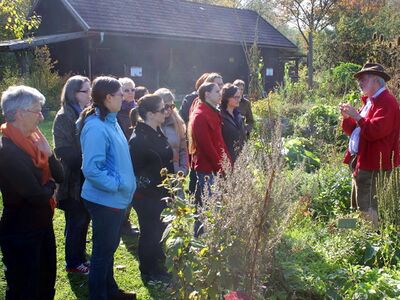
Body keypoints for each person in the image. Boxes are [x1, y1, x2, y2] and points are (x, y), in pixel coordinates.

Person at [0, 85, 63, 300]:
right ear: (19, 114)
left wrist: (50, 155)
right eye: (37, 111)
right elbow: (35, 196)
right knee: (24, 290)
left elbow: (61, 177)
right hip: (20, 231)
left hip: (42, 225)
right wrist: (51, 188)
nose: (41, 117)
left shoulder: (36, 141)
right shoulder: (6, 150)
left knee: (46, 284)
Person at [78, 76, 137, 300]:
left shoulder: (110, 121)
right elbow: (92, 169)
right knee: (102, 254)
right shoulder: (95, 126)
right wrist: (119, 185)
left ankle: (111, 291)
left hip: (114, 198)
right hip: (105, 200)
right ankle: (99, 295)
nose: (124, 97)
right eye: (120, 94)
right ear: (108, 97)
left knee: (108, 249)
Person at [339, 63, 400, 227]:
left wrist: (356, 116)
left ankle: (370, 241)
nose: (360, 82)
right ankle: (359, 239)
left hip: (374, 164)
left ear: (375, 80)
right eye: (359, 79)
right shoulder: (371, 102)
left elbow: (375, 131)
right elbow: (354, 130)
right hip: (362, 161)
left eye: (363, 79)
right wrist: (347, 117)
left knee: (368, 205)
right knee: (359, 202)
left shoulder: (387, 102)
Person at [129, 94, 174, 283]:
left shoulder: (156, 131)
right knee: (149, 231)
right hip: (147, 195)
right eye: (163, 109)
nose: (168, 111)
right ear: (150, 113)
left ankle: (157, 261)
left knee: (158, 229)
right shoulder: (139, 139)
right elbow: (135, 171)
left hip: (161, 192)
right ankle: (148, 269)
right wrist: (149, 192)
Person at [53, 75, 91, 275]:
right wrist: (87, 159)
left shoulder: (84, 113)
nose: (90, 94)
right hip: (73, 179)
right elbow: (63, 150)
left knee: (83, 219)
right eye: (86, 91)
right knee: (76, 220)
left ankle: (80, 257)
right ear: (73, 93)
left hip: (84, 177)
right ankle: (73, 262)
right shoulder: (64, 116)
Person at [188, 82, 231, 206]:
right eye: (217, 91)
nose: (220, 94)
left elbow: (219, 142)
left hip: (218, 167)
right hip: (208, 169)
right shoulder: (200, 115)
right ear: (207, 94)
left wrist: (227, 162)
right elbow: (206, 147)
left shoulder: (213, 112)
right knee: (209, 208)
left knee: (219, 206)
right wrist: (221, 167)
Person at [117, 77, 140, 237]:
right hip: (121, 156)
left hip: (135, 155)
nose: (131, 93)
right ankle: (121, 223)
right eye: (126, 90)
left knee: (132, 190)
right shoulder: (116, 111)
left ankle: (125, 221)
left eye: (132, 89)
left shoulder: (137, 109)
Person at [155, 88, 188, 175]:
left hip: (176, 174)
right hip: (157, 174)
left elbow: (183, 149)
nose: (169, 109)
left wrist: (183, 169)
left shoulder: (178, 123)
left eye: (172, 106)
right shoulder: (152, 124)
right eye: (166, 106)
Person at [220, 83, 246, 162]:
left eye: (239, 97)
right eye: (236, 97)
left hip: (239, 158)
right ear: (226, 98)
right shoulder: (219, 115)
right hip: (226, 159)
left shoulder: (237, 114)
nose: (239, 99)